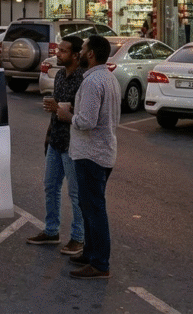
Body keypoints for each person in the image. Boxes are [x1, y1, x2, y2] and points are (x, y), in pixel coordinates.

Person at [56, 34, 120, 280]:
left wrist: (68, 116)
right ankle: (91, 254)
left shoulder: (93, 82)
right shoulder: (108, 77)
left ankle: (100, 264)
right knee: (88, 206)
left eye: (83, 49)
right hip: (102, 152)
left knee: (94, 210)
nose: (80, 52)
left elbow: (87, 122)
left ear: (91, 54)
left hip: (91, 154)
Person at [27, 35, 85, 255]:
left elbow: (85, 115)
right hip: (56, 140)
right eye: (58, 50)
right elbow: (56, 110)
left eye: (63, 51)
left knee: (76, 193)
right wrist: (48, 135)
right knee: (50, 186)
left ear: (76, 55)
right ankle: (51, 231)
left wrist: (61, 110)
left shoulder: (83, 79)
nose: (57, 54)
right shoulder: (60, 75)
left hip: (73, 144)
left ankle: (78, 237)